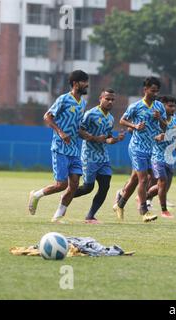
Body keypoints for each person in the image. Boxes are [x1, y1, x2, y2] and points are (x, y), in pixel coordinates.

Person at [28, 70, 89, 223]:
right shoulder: (63, 99)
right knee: (61, 185)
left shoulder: (83, 103)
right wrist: (60, 132)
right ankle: (36, 195)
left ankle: (57, 217)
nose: (86, 84)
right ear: (75, 83)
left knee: (74, 184)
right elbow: (47, 117)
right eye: (84, 81)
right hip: (60, 147)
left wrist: (89, 136)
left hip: (74, 148)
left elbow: (77, 126)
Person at [114, 77, 167, 223]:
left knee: (141, 179)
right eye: (152, 90)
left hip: (151, 148)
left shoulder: (159, 107)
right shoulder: (135, 106)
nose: (155, 93)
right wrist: (134, 126)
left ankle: (120, 204)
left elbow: (165, 127)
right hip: (137, 147)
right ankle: (144, 211)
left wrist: (160, 119)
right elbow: (122, 120)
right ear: (145, 90)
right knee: (143, 179)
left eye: (157, 91)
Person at [72, 89, 125, 224]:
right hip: (89, 156)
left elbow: (107, 138)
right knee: (88, 188)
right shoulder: (90, 114)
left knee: (105, 186)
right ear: (100, 98)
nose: (110, 102)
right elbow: (79, 131)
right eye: (107, 99)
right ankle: (66, 196)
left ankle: (90, 216)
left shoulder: (111, 119)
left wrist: (115, 139)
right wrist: (95, 138)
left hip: (103, 157)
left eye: (112, 100)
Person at [146, 96, 176, 218]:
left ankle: (142, 196)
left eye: (174, 106)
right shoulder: (155, 120)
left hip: (169, 157)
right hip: (157, 156)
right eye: (170, 106)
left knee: (164, 186)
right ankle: (164, 210)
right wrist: (156, 137)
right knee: (162, 182)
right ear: (163, 106)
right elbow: (148, 135)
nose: (173, 108)